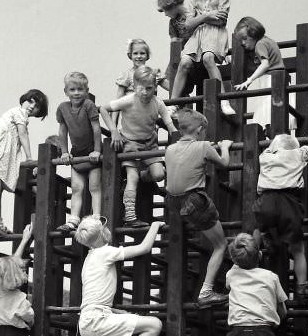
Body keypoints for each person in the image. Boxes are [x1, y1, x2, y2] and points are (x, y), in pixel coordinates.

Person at [165, 109, 233, 307]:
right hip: (194, 200)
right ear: (201, 129)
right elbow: (224, 164)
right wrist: (225, 147)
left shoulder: (169, 149)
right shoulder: (203, 146)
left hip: (173, 202)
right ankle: (206, 292)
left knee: (206, 235)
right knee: (220, 245)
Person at [102, 66, 176, 228]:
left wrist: (179, 138)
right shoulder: (129, 100)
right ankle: (130, 216)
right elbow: (103, 109)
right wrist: (114, 131)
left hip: (149, 144)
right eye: (141, 88)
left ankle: (144, 175)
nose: (145, 92)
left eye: (149, 88)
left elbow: (170, 125)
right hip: (131, 144)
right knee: (132, 178)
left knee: (159, 174)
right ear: (134, 87)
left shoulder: (158, 103)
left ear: (155, 87)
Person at [252, 131, 308, 304]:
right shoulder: (298, 154)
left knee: (258, 227)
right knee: (298, 250)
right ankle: (302, 289)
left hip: (265, 200)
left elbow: (271, 148)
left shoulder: (264, 156)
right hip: (288, 202)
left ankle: (249, 256)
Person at [0, 89, 49, 233]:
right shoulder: (20, 113)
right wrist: (29, 156)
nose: (32, 106)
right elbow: (22, 134)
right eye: (30, 101)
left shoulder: (14, 113)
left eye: (37, 106)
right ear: (24, 99)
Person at [168, 0, 235, 116]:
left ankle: (224, 101)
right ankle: (173, 103)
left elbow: (221, 20)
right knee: (184, 62)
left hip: (214, 34)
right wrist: (207, 15)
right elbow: (188, 25)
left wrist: (199, 18)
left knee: (208, 58)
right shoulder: (194, 2)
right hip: (197, 37)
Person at [55, 71, 114, 234]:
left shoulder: (88, 105)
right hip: (76, 153)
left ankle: (96, 217)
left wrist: (97, 150)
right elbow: (62, 131)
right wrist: (65, 152)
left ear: (86, 91)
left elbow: (96, 129)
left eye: (80, 90)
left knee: (94, 186)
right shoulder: (63, 108)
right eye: (72, 90)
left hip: (91, 152)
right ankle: (74, 219)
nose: (76, 93)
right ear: (66, 91)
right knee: (76, 187)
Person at [233, 16, 297, 133]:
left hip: (271, 80)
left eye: (244, 38)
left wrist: (249, 80)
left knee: (268, 114)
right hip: (278, 78)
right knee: (276, 115)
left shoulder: (259, 45)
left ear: (253, 33)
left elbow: (265, 64)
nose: (242, 43)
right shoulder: (268, 41)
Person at [157, 0, 207, 96]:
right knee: (174, 74)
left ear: (173, 5)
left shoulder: (194, 13)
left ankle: (176, 94)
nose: (165, 14)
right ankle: (162, 82)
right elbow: (175, 42)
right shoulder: (173, 22)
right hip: (183, 54)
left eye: (166, 10)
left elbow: (207, 31)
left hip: (198, 51)